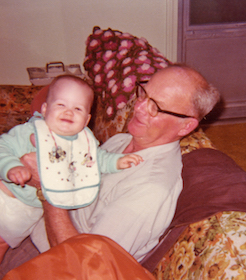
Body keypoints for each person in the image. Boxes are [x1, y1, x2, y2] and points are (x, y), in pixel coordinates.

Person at [16, 65, 220, 263]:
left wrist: (46, 186)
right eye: (143, 94)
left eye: (155, 107)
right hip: (31, 223)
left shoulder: (150, 189)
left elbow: (85, 266)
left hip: (45, 259)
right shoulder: (124, 140)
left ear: (186, 126)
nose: (138, 107)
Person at [0, 75, 143, 262]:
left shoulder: (82, 142)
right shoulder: (30, 132)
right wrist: (12, 167)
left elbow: (97, 159)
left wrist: (117, 162)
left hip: (27, 216)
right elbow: (3, 147)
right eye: (61, 105)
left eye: (77, 108)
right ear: (45, 109)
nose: (69, 112)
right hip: (5, 199)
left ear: (86, 120)